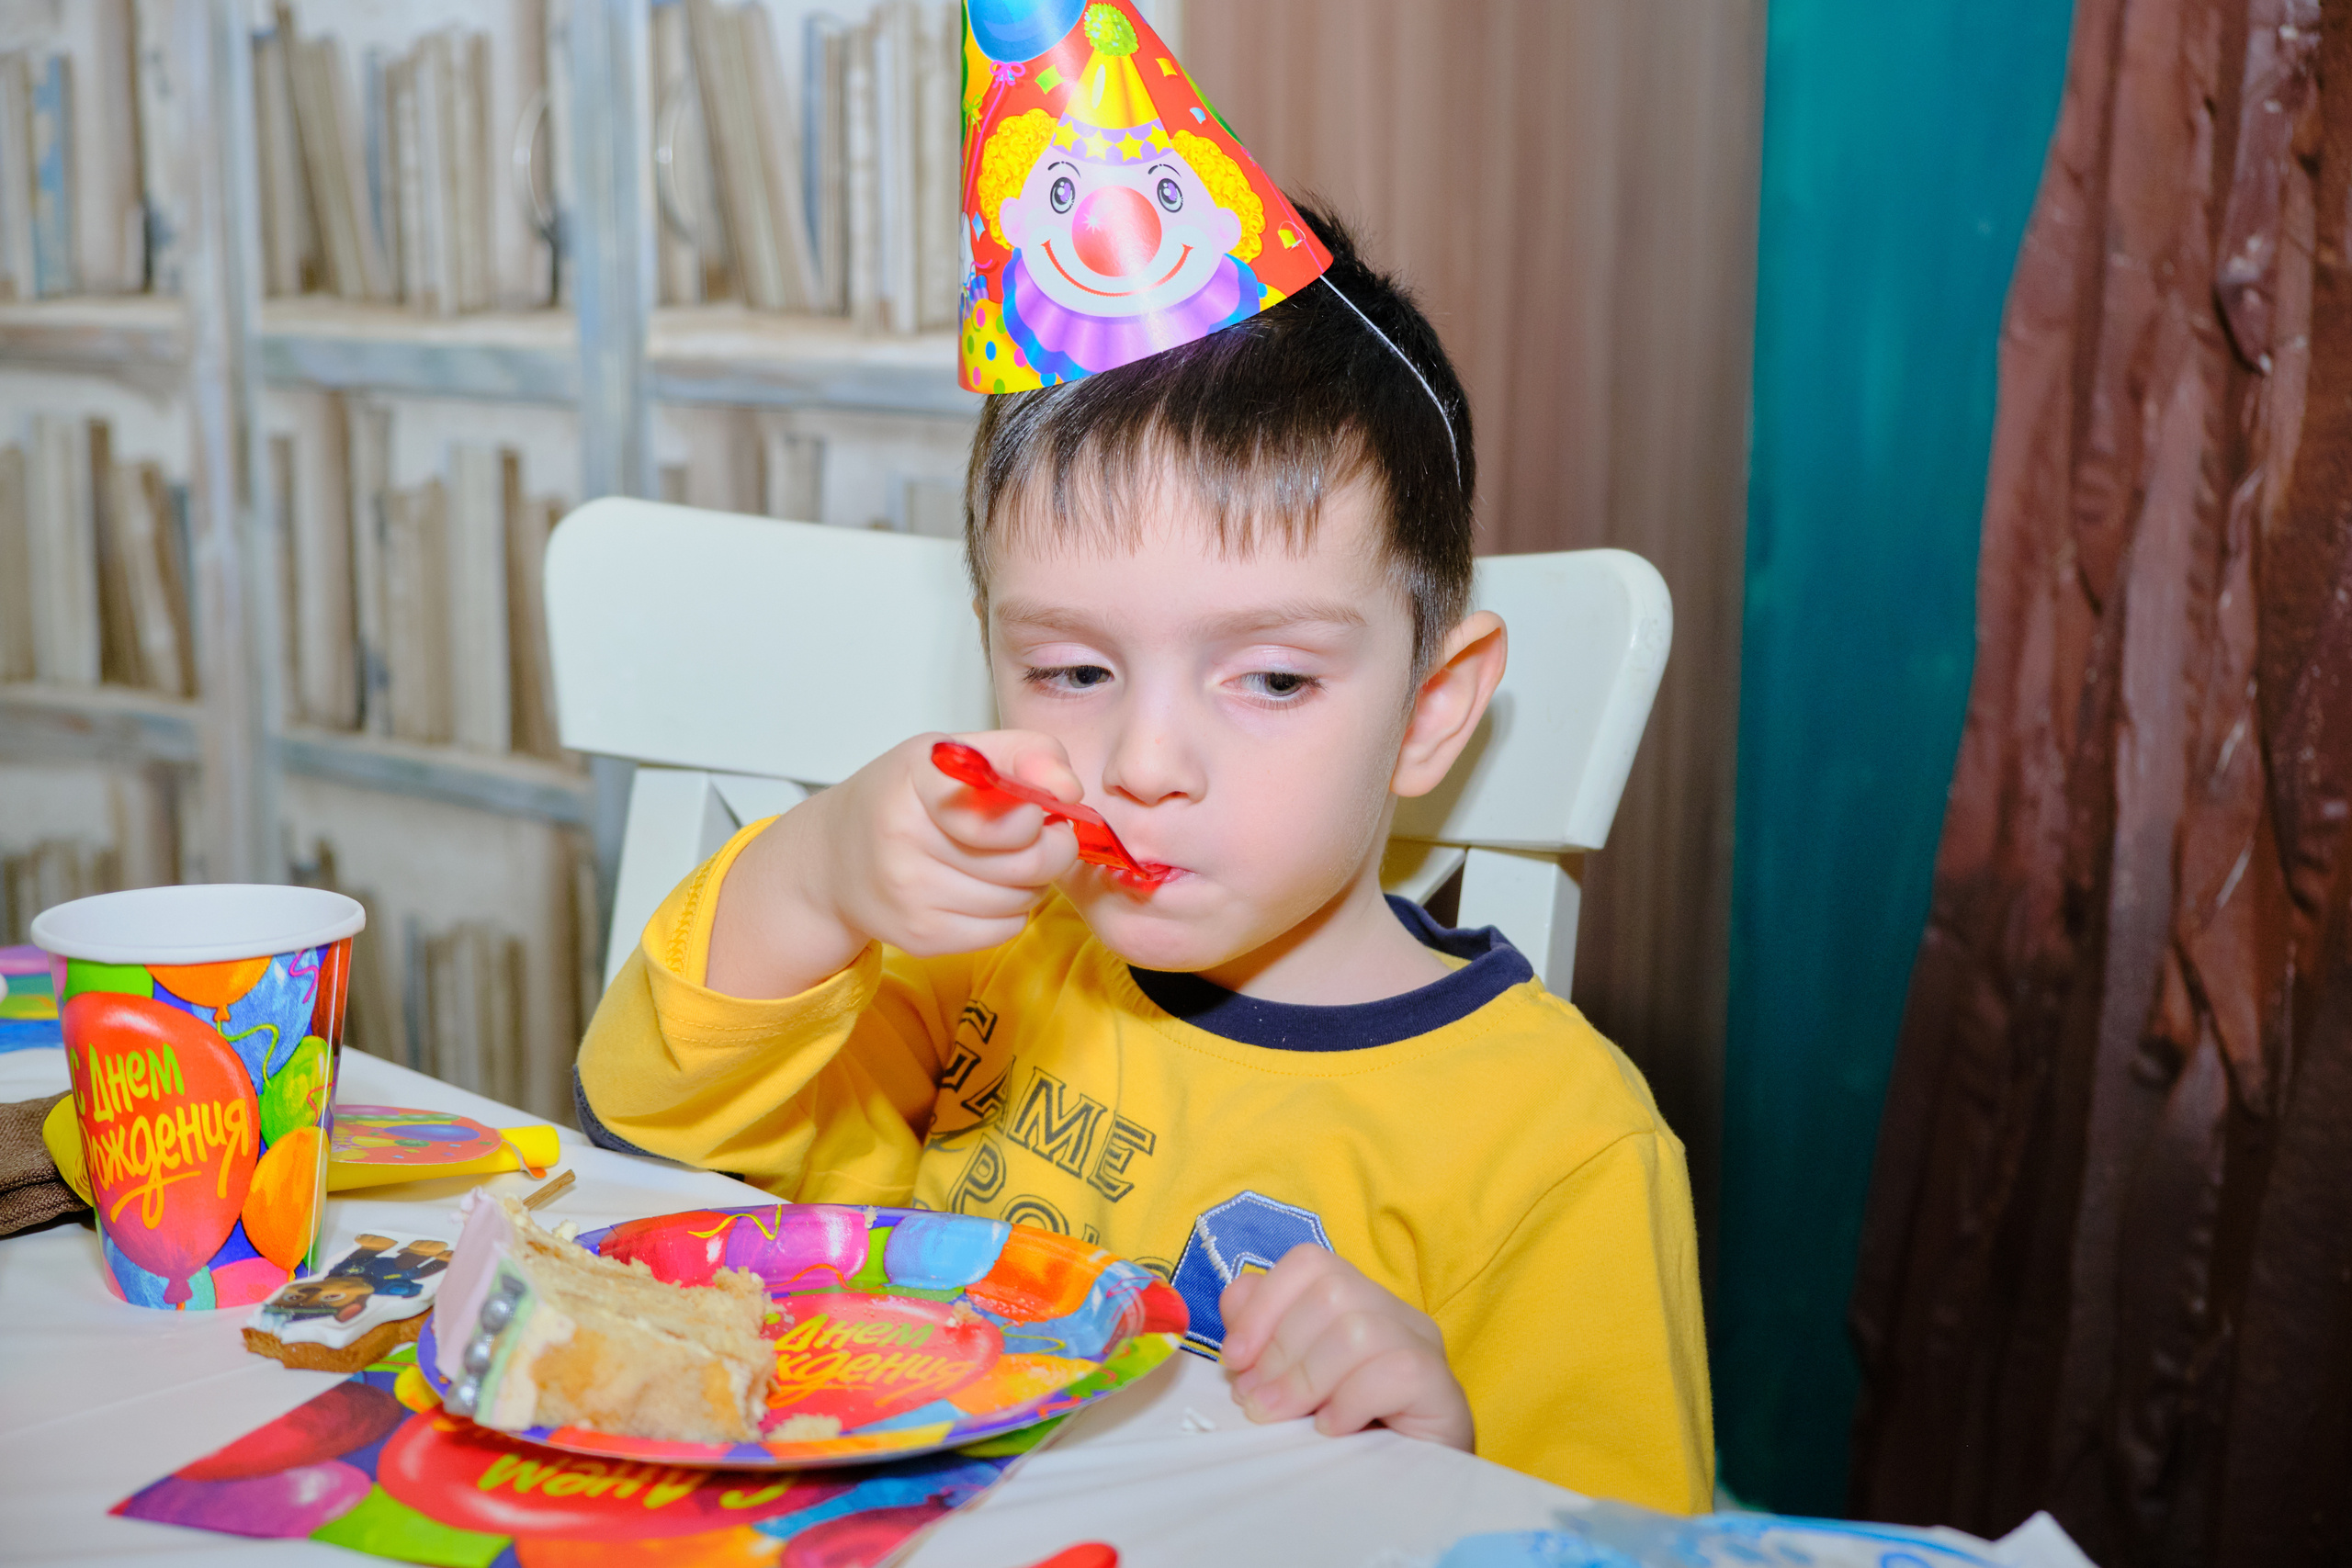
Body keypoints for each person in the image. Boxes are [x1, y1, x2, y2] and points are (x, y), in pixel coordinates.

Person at [574, 206, 1712, 1512]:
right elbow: (641, 1128)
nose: (1145, 758)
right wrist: (819, 875)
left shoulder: (1560, 1147)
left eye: (1273, 677)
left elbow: (1623, 1541)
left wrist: (1438, 1470)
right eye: (1074, 670)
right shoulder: (974, 963)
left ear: (1433, 708)